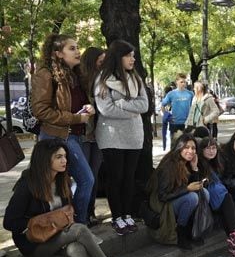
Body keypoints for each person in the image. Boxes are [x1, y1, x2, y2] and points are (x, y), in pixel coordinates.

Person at [3, 139, 143, 257]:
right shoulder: (27, 185)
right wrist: (42, 221)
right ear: (45, 159)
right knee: (79, 229)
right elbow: (9, 222)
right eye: (59, 157)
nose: (64, 161)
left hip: (60, 236)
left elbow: (68, 213)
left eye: (65, 157)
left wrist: (63, 218)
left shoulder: (63, 180)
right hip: (35, 244)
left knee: (77, 249)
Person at [31, 34, 95, 225]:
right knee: (84, 180)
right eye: (72, 48)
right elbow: (40, 110)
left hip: (74, 136)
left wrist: (88, 107)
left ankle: (72, 225)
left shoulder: (76, 73)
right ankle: (76, 225)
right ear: (58, 53)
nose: (78, 51)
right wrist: (76, 118)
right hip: (55, 137)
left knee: (74, 183)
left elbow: (78, 102)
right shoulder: (45, 73)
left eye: (77, 47)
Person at [94, 40, 149, 235]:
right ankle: (117, 216)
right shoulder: (103, 79)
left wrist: (123, 104)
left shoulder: (136, 79)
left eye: (133, 55)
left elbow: (144, 106)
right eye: (129, 55)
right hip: (111, 136)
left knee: (129, 177)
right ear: (118, 57)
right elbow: (105, 109)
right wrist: (131, 109)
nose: (133, 59)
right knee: (115, 177)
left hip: (134, 135)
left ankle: (127, 214)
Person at [197, 137, 235, 257]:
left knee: (226, 196)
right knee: (224, 195)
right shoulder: (199, 162)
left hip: (220, 194)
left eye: (213, 148)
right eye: (207, 148)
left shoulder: (217, 161)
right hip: (207, 194)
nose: (211, 151)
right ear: (201, 150)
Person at [148, 133, 202, 250]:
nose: (190, 151)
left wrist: (194, 168)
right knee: (192, 197)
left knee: (203, 194)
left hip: (176, 199)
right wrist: (187, 189)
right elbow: (163, 196)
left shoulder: (186, 162)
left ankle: (194, 229)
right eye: (186, 147)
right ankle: (181, 233)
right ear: (179, 147)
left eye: (193, 148)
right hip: (162, 205)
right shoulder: (169, 165)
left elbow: (195, 185)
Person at [79, 47, 105, 226]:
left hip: (99, 134)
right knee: (85, 175)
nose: (103, 64)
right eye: (100, 60)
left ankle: (90, 212)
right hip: (83, 133)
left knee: (94, 174)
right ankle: (81, 214)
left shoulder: (103, 79)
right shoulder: (80, 79)